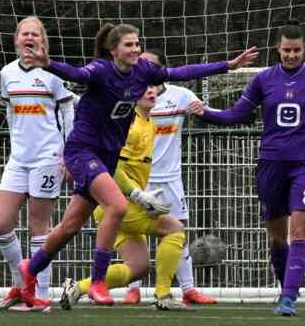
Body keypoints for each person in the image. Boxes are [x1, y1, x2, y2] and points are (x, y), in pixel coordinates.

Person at [17, 22, 258, 307]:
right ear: (113, 49)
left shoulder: (143, 71)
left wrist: (227, 66)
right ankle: (96, 282)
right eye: (129, 45)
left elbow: (181, 72)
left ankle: (29, 269)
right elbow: (77, 74)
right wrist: (49, 64)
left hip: (106, 156)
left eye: (137, 44)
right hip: (83, 151)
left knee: (70, 226)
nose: (135, 49)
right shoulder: (101, 70)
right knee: (117, 207)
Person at [188, 21, 305, 316]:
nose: (291, 55)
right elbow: (237, 114)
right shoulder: (263, 80)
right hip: (271, 165)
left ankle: (288, 298)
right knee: (276, 237)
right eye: (286, 50)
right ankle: (285, 287)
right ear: (278, 49)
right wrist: (207, 114)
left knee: (300, 233)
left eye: (297, 50)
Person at [61, 86, 193, 311]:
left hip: (115, 205)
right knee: (174, 229)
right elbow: (112, 167)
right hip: (119, 203)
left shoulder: (147, 121)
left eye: (153, 89)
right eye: (145, 89)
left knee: (138, 267)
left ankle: (78, 287)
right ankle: (164, 296)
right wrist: (138, 196)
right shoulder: (130, 125)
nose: (151, 92)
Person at [121, 48, 217, 306]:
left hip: (171, 179)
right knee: (135, 232)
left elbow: (206, 111)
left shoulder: (181, 95)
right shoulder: (128, 97)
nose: (145, 70)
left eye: (151, 65)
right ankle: (134, 289)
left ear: (161, 69)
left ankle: (188, 289)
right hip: (139, 179)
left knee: (178, 231)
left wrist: (202, 110)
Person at [0, 16, 74, 312]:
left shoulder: (52, 74)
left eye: (35, 34)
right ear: (16, 40)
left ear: (42, 41)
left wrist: (68, 154)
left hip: (47, 158)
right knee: (2, 225)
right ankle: (21, 284)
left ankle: (41, 294)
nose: (29, 38)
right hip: (18, 159)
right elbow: (11, 113)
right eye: (24, 33)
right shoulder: (7, 73)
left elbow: (67, 115)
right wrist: (16, 146)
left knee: (38, 225)